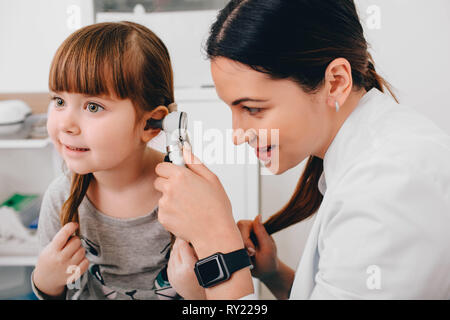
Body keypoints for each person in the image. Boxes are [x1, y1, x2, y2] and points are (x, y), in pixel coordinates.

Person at [155, 0, 450, 299]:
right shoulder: (371, 156)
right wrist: (274, 274)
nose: (237, 136)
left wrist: (218, 254)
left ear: (335, 83)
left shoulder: (388, 189)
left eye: (253, 108)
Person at [31, 21, 183, 300]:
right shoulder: (61, 198)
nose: (66, 124)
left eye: (93, 106)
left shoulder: (186, 193)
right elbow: (59, 289)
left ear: (150, 123)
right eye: (59, 100)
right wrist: (44, 283)